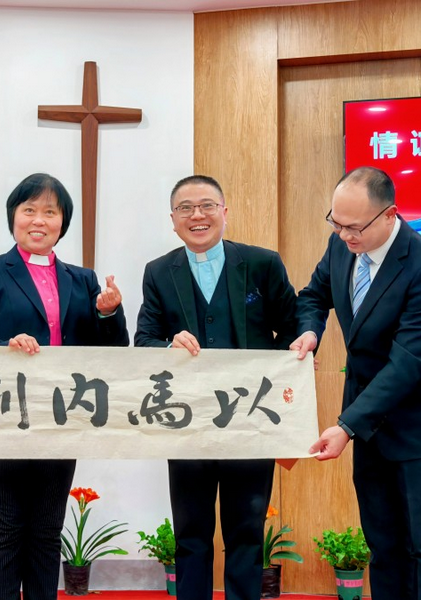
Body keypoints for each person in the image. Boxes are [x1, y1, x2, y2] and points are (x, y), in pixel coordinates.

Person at [0, 173, 129, 600]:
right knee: (4, 528)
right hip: (1, 422)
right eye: (29, 210)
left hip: (60, 421)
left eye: (50, 212)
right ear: (13, 217)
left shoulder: (83, 280)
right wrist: (2, 346)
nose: (39, 220)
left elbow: (111, 351)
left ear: (62, 223)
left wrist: (107, 313)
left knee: (47, 530)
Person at [291, 166, 421, 600]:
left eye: (355, 227)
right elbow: (313, 295)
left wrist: (347, 425)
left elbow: (409, 363)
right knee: (384, 546)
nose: (345, 235)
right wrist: (311, 331)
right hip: (370, 426)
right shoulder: (340, 246)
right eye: (336, 222)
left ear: (390, 215)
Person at [134, 175, 297, 600]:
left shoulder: (263, 263)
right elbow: (144, 339)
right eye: (185, 208)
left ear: (224, 212)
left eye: (206, 205)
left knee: (246, 529)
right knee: (191, 531)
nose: (197, 215)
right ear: (173, 220)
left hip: (250, 422)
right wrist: (167, 344)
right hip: (187, 424)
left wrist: (281, 364)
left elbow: (296, 326)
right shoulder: (158, 272)